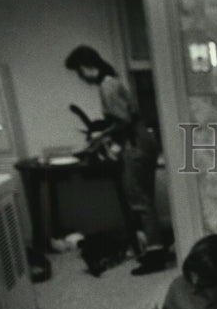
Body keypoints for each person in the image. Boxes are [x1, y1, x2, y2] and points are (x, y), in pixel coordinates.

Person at [64, 45, 167, 275]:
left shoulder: (107, 85)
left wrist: (100, 136)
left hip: (135, 143)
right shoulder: (114, 80)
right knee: (145, 199)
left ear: (86, 67)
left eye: (79, 72)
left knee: (139, 200)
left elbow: (123, 121)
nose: (80, 78)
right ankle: (154, 247)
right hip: (143, 140)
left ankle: (155, 254)